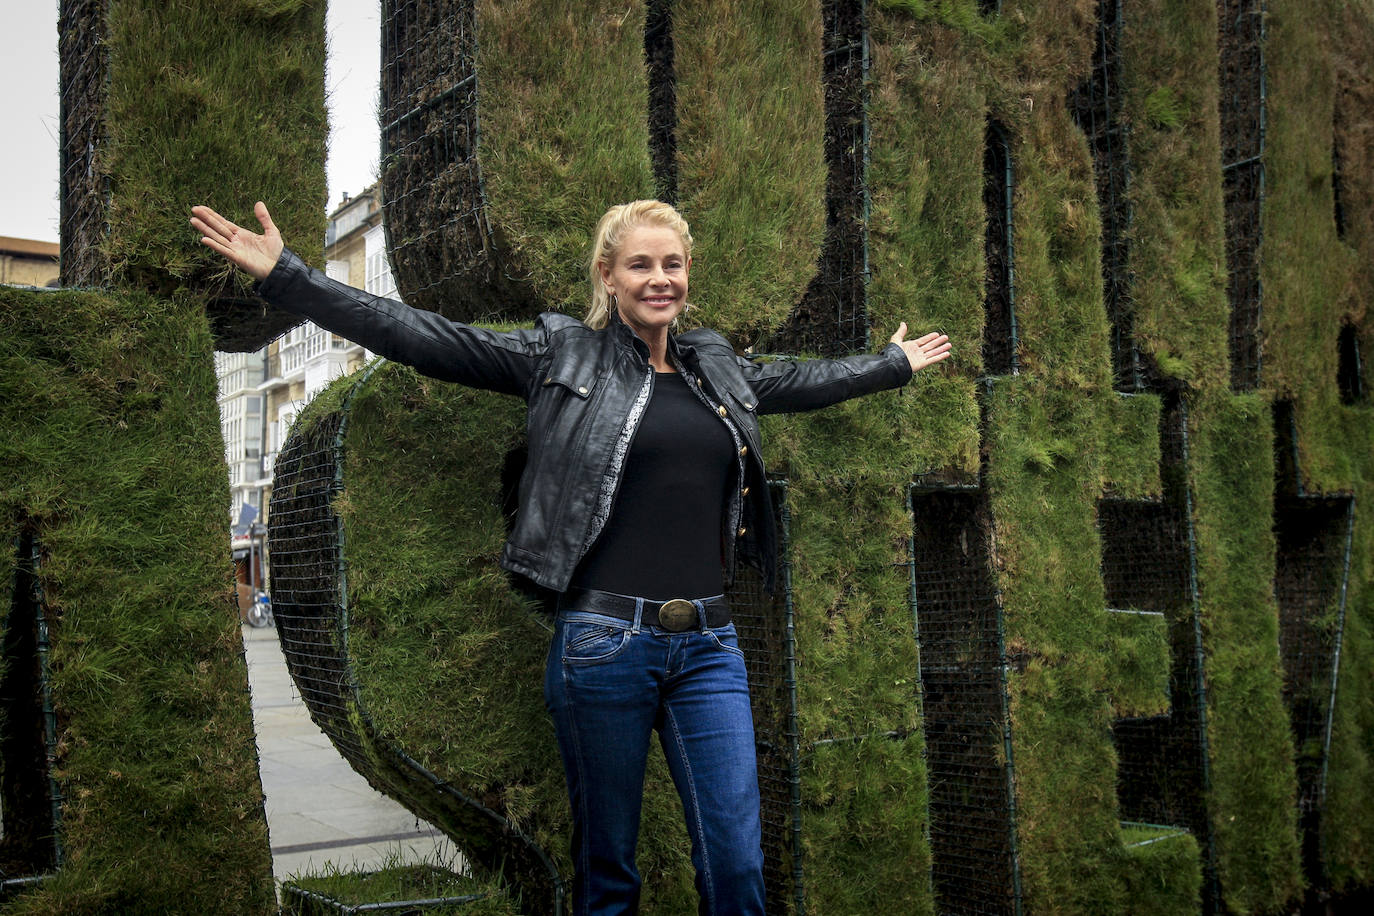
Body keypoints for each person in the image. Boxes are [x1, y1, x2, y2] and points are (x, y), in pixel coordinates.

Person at [190, 199, 950, 915]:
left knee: (737, 860)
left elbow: (801, 378)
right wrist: (290, 276)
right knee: (608, 866)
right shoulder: (562, 354)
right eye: (642, 265)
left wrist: (890, 364)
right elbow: (417, 333)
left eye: (674, 264)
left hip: (712, 646)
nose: (661, 279)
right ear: (607, 275)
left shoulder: (716, 366)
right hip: (604, 644)